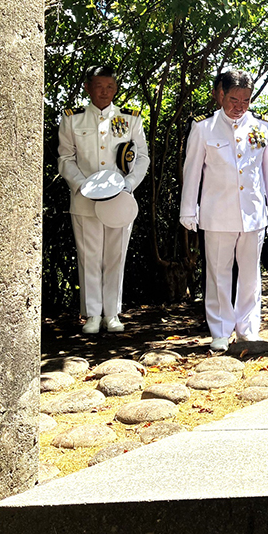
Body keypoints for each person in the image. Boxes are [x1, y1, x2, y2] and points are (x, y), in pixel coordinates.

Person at [179, 68, 268, 352]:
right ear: (220, 94)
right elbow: (192, 171)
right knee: (217, 274)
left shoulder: (262, 127)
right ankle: (220, 331)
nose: (240, 106)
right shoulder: (204, 128)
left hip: (252, 212)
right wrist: (188, 209)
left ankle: (247, 329)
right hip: (217, 213)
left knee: (250, 276)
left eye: (246, 100)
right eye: (234, 99)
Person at [58, 64, 150, 334]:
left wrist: (128, 186)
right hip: (85, 200)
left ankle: (112, 313)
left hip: (119, 201)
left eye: (110, 86)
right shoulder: (73, 119)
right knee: (89, 257)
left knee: (115, 256)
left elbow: (142, 157)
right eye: (99, 86)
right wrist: (82, 185)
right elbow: (65, 158)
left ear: (116, 88)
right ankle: (92, 314)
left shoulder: (130, 119)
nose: (104, 92)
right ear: (88, 87)